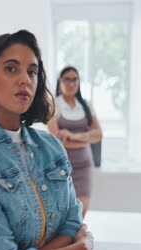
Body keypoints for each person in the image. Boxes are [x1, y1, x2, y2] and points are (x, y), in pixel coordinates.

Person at [0, 30, 94, 250]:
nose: (25, 79)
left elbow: (72, 219)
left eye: (32, 71)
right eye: (11, 68)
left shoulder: (52, 146)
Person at [47, 66, 102, 217]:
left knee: (81, 212)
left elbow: (98, 134)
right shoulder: (54, 105)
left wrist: (72, 136)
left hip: (84, 165)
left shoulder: (86, 105)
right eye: (67, 79)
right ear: (60, 82)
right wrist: (86, 138)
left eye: (75, 79)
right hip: (62, 166)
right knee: (64, 215)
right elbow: (57, 140)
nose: (71, 83)